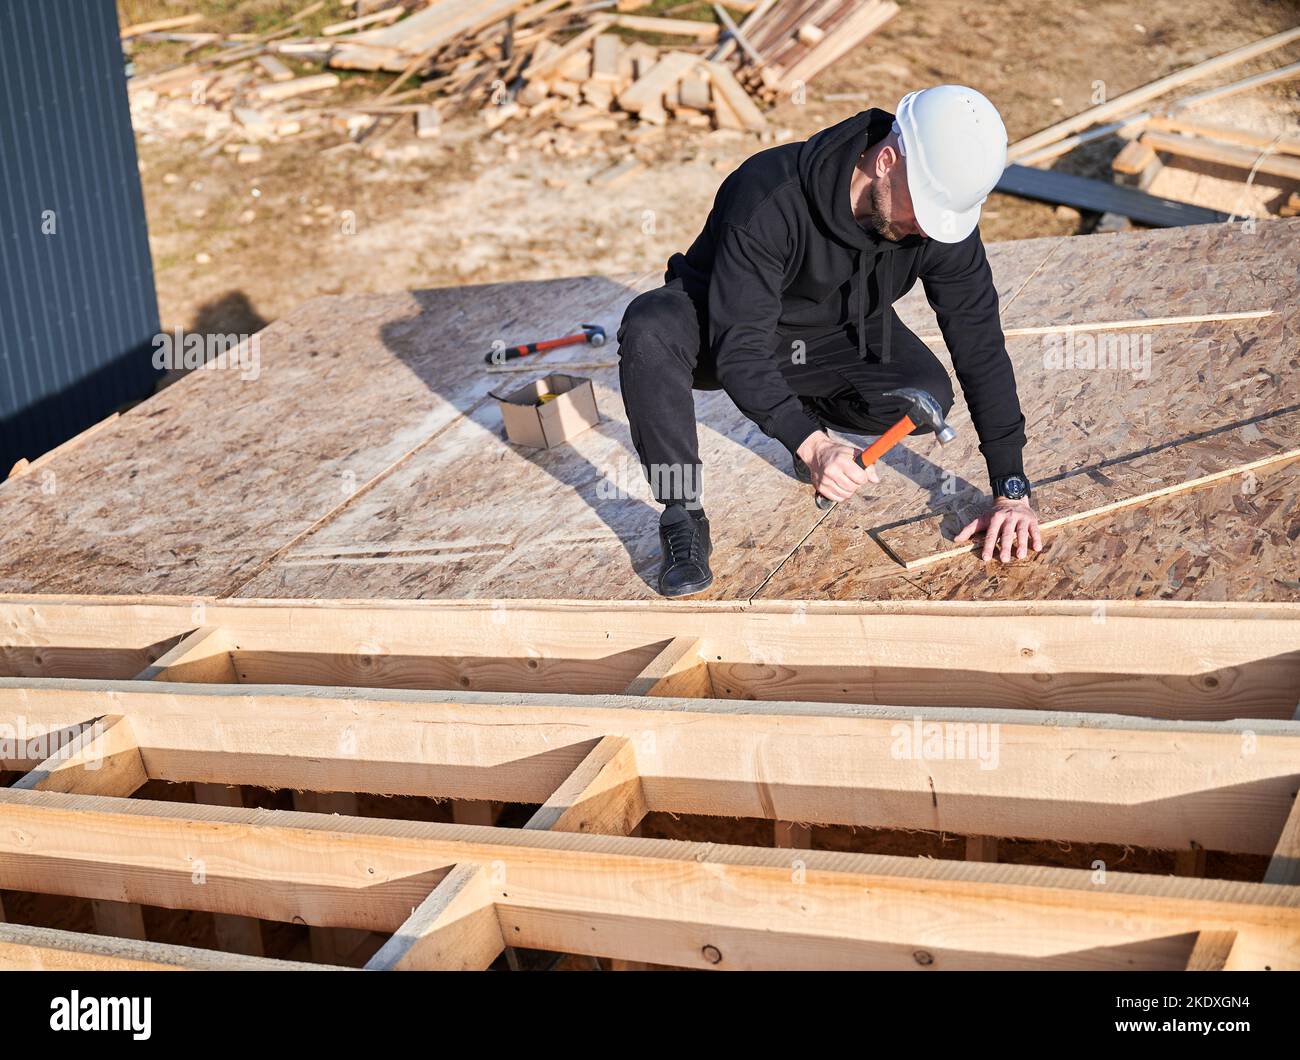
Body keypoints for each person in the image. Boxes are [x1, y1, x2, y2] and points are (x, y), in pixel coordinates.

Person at [617, 85, 1042, 597]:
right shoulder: (768, 193)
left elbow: (979, 338)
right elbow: (741, 346)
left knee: (922, 393)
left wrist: (1011, 488)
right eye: (923, 212)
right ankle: (681, 512)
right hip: (723, 323)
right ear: (886, 160)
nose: (926, 232)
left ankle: (800, 417)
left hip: (826, 336)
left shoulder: (937, 221)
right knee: (649, 329)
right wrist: (813, 445)